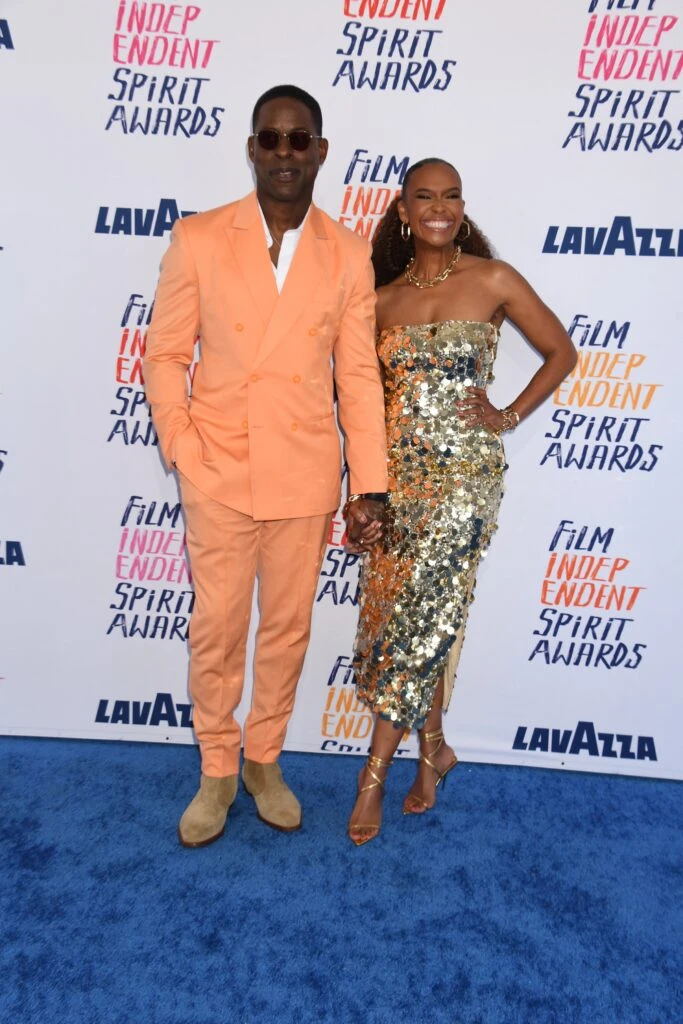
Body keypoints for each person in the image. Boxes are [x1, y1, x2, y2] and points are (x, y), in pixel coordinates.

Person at [143, 84, 388, 848]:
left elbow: (356, 376)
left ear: (319, 151)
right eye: (271, 139)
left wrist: (370, 484)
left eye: (298, 139)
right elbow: (163, 354)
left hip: (304, 470)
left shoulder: (347, 253)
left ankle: (263, 761)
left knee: (285, 629)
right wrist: (183, 446)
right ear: (253, 148)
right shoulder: (200, 238)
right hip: (216, 466)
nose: (285, 153)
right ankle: (217, 769)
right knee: (215, 625)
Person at [346, 158, 577, 846]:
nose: (439, 207)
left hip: (466, 481)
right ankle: (434, 754)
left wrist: (504, 415)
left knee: (419, 616)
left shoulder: (492, 278)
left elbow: (560, 352)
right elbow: (362, 407)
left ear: (461, 206)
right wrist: (365, 492)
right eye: (425, 197)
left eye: (450, 196)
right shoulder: (378, 299)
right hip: (399, 483)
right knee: (416, 620)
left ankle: (371, 781)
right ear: (402, 211)